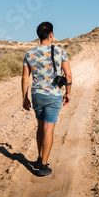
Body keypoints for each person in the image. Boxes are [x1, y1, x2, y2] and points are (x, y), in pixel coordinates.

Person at [22, 22, 72, 176]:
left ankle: (39, 157)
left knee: (40, 126)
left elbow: (25, 78)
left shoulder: (29, 53)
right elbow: (68, 75)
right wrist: (68, 92)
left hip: (37, 95)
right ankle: (43, 166)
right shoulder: (60, 51)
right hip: (53, 95)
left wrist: (24, 97)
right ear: (51, 34)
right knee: (49, 129)